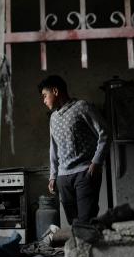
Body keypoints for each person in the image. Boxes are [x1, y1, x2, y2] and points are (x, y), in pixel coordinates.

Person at [38, 75, 109, 225]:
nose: (44, 101)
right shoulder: (53, 118)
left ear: (55, 91)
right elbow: (53, 147)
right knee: (74, 223)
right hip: (63, 178)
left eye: (45, 96)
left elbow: (104, 133)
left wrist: (97, 162)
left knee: (86, 220)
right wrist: (53, 176)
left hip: (85, 173)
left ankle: (90, 248)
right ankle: (78, 248)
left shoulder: (82, 107)